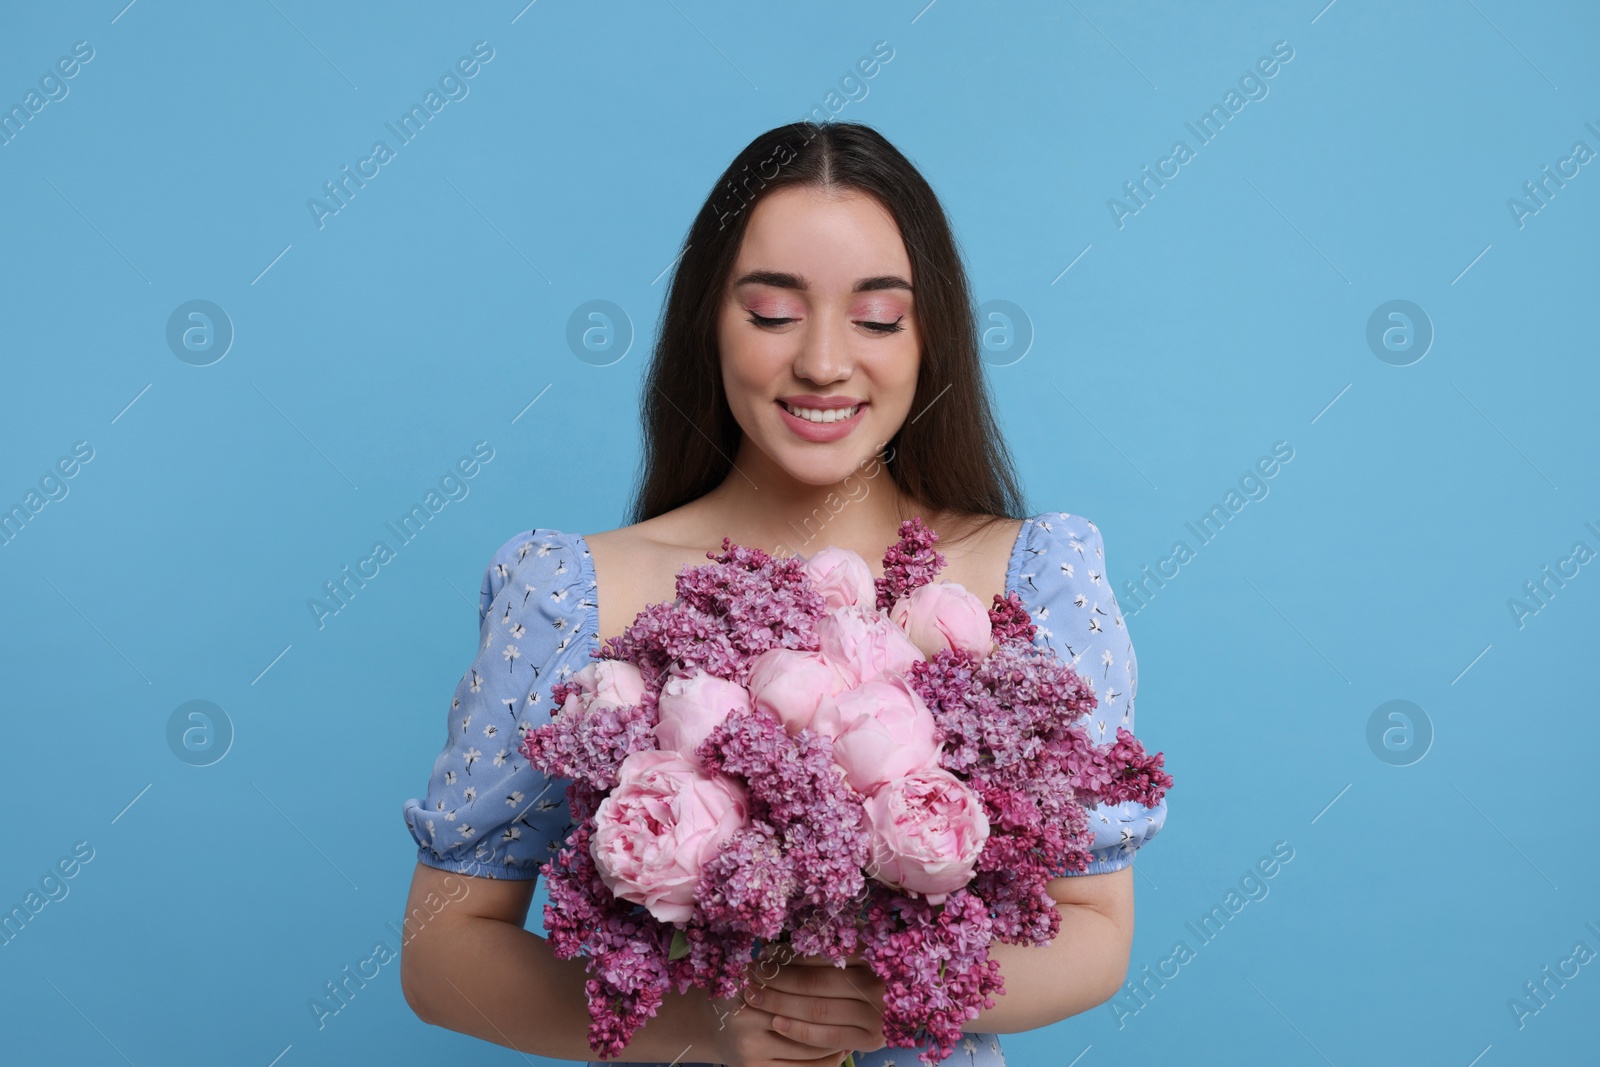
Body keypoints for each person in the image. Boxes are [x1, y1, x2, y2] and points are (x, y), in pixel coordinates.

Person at [399, 120, 1167, 1067]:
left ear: (933, 338)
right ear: (707, 324)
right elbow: (441, 949)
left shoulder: (1032, 582)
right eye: (773, 312)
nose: (824, 363)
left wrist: (891, 1000)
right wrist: (704, 1028)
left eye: (878, 317)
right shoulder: (570, 591)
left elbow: (1096, 925)